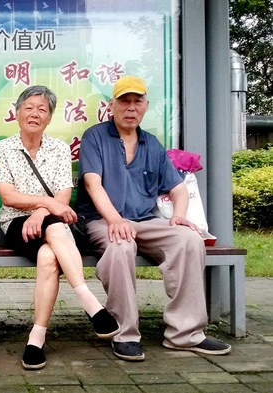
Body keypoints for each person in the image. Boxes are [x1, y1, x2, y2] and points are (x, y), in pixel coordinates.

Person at [76, 75, 232, 361]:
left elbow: (178, 189)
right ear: (112, 105)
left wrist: (180, 217)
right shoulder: (95, 136)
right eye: (124, 101)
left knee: (188, 239)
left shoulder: (152, 144)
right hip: (102, 221)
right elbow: (92, 184)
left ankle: (185, 334)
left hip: (145, 221)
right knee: (121, 246)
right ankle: (125, 333)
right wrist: (115, 220)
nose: (131, 108)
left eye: (137, 101)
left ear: (146, 106)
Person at [0, 85, 120, 370]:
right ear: (16, 113)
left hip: (52, 224)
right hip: (15, 223)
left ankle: (36, 338)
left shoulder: (60, 149)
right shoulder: (1, 149)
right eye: (29, 107)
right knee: (55, 225)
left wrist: (40, 212)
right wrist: (42, 209)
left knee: (49, 256)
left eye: (42, 110)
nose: (35, 114)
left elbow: (63, 195)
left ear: (49, 118)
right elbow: (9, 197)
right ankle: (89, 301)